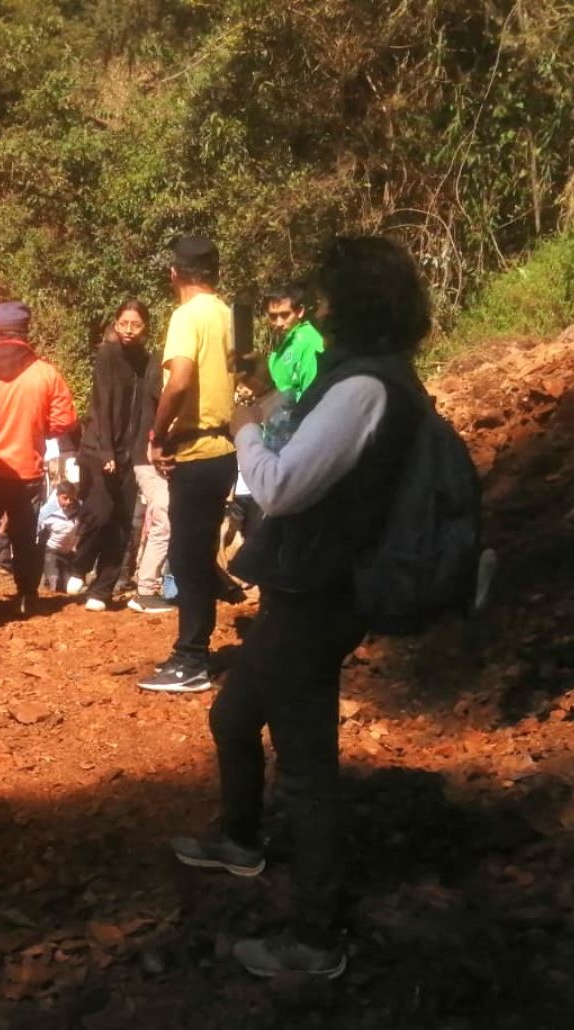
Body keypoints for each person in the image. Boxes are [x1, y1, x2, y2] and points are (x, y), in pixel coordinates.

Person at [170, 236, 433, 980]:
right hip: (304, 588)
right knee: (231, 716)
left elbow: (281, 486)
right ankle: (240, 840)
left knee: (309, 766)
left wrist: (246, 422)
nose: (317, 310)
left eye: (325, 298)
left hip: (324, 592)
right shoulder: (363, 379)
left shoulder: (365, 389)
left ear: (353, 304)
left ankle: (316, 939)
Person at [137, 236, 238, 694]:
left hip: (194, 450)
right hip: (224, 448)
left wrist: (157, 433)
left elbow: (178, 380)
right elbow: (250, 370)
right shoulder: (229, 313)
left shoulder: (186, 316)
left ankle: (191, 659)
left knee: (188, 558)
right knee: (197, 553)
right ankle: (193, 650)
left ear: (174, 274)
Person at [0, 300, 77, 616]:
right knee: (25, 537)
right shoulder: (45, 373)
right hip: (27, 469)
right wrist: (38, 427)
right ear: (25, 333)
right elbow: (64, 420)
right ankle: (28, 596)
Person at [73, 300, 160, 612]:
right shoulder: (107, 355)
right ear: (115, 323)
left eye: (135, 325)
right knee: (98, 512)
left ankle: (102, 589)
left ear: (145, 327)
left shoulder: (147, 362)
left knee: (122, 522)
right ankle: (79, 564)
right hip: (100, 448)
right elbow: (102, 403)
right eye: (124, 323)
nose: (129, 331)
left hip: (130, 452)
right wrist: (107, 449)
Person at [264, 283, 325, 399]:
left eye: (285, 315)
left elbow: (311, 394)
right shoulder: (282, 343)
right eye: (273, 316)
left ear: (300, 311)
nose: (279, 323)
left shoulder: (309, 342)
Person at [37, 482, 83, 594]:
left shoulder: (80, 508)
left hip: (69, 554)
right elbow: (36, 533)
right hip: (51, 551)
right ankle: (48, 576)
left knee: (73, 587)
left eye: (71, 499)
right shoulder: (47, 511)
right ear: (57, 495)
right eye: (65, 498)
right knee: (55, 584)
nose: (68, 502)